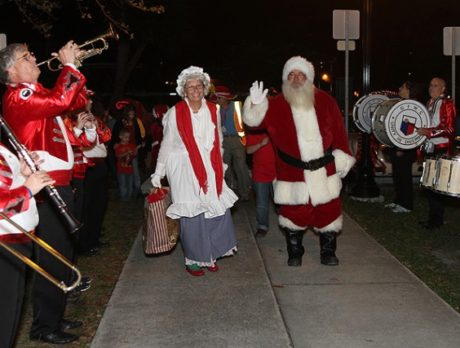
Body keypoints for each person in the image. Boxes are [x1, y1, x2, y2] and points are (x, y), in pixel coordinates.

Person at [0, 41, 88, 344]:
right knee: (51, 258)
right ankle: (44, 326)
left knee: (62, 253)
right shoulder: (20, 94)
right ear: (11, 70)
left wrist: (73, 67)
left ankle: (54, 316)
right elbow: (61, 101)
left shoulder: (36, 93)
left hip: (57, 183)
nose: (35, 57)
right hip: (41, 188)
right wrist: (69, 66)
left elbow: (73, 102)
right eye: (27, 57)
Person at [243, 56, 355, 267]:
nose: (296, 79)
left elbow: (340, 133)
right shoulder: (276, 105)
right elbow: (255, 123)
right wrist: (256, 105)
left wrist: (343, 158)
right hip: (291, 171)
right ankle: (295, 251)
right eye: (291, 75)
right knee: (293, 214)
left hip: (324, 169)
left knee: (328, 211)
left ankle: (328, 251)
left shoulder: (326, 101)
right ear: (286, 79)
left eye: (300, 74)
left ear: (309, 78)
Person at [150, 66, 238, 276]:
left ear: (205, 88)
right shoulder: (174, 113)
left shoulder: (214, 110)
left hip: (209, 167)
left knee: (215, 212)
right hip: (182, 168)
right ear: (184, 90)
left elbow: (219, 140)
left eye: (198, 85)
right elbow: (167, 143)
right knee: (192, 216)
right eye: (190, 86)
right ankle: (194, 260)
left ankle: (211, 255)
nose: (195, 89)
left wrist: (221, 165)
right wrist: (158, 171)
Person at [0, 145, 54, 348]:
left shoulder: (3, 148)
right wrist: (28, 189)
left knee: (11, 314)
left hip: (18, 239)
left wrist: (23, 175)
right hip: (4, 244)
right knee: (4, 316)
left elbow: (7, 188)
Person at [417, 77, 457, 230]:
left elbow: (450, 129)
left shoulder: (447, 104)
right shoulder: (429, 103)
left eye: (435, 85)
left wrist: (429, 132)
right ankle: (433, 218)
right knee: (429, 184)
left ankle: (436, 221)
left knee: (436, 186)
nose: (431, 88)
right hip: (430, 148)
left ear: (443, 88)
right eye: (430, 85)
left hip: (441, 148)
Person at [385, 81, 425, 213]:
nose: (399, 88)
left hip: (406, 148)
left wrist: (402, 147)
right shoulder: (402, 104)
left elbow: (411, 130)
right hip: (398, 146)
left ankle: (407, 205)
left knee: (404, 176)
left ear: (409, 90)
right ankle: (399, 201)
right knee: (397, 175)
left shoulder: (413, 106)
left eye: (402, 87)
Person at [213, 85, 250, 200]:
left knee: (241, 167)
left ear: (225, 98)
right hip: (223, 141)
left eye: (219, 98)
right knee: (225, 167)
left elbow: (247, 121)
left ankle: (244, 193)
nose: (217, 100)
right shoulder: (215, 109)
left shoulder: (237, 106)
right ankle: (230, 190)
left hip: (237, 140)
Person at [245, 128, 276, 237]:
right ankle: (262, 226)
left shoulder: (274, 129)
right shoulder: (254, 131)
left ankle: (286, 225)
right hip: (260, 173)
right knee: (262, 203)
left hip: (276, 172)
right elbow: (248, 150)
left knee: (280, 201)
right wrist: (261, 144)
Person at [114, 127, 138, 200]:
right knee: (123, 184)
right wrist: (126, 153)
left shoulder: (131, 146)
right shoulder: (118, 146)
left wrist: (136, 152)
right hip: (121, 170)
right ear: (120, 137)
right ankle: (123, 197)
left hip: (129, 169)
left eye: (128, 137)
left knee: (130, 184)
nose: (127, 139)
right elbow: (118, 155)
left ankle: (129, 196)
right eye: (125, 137)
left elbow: (134, 154)